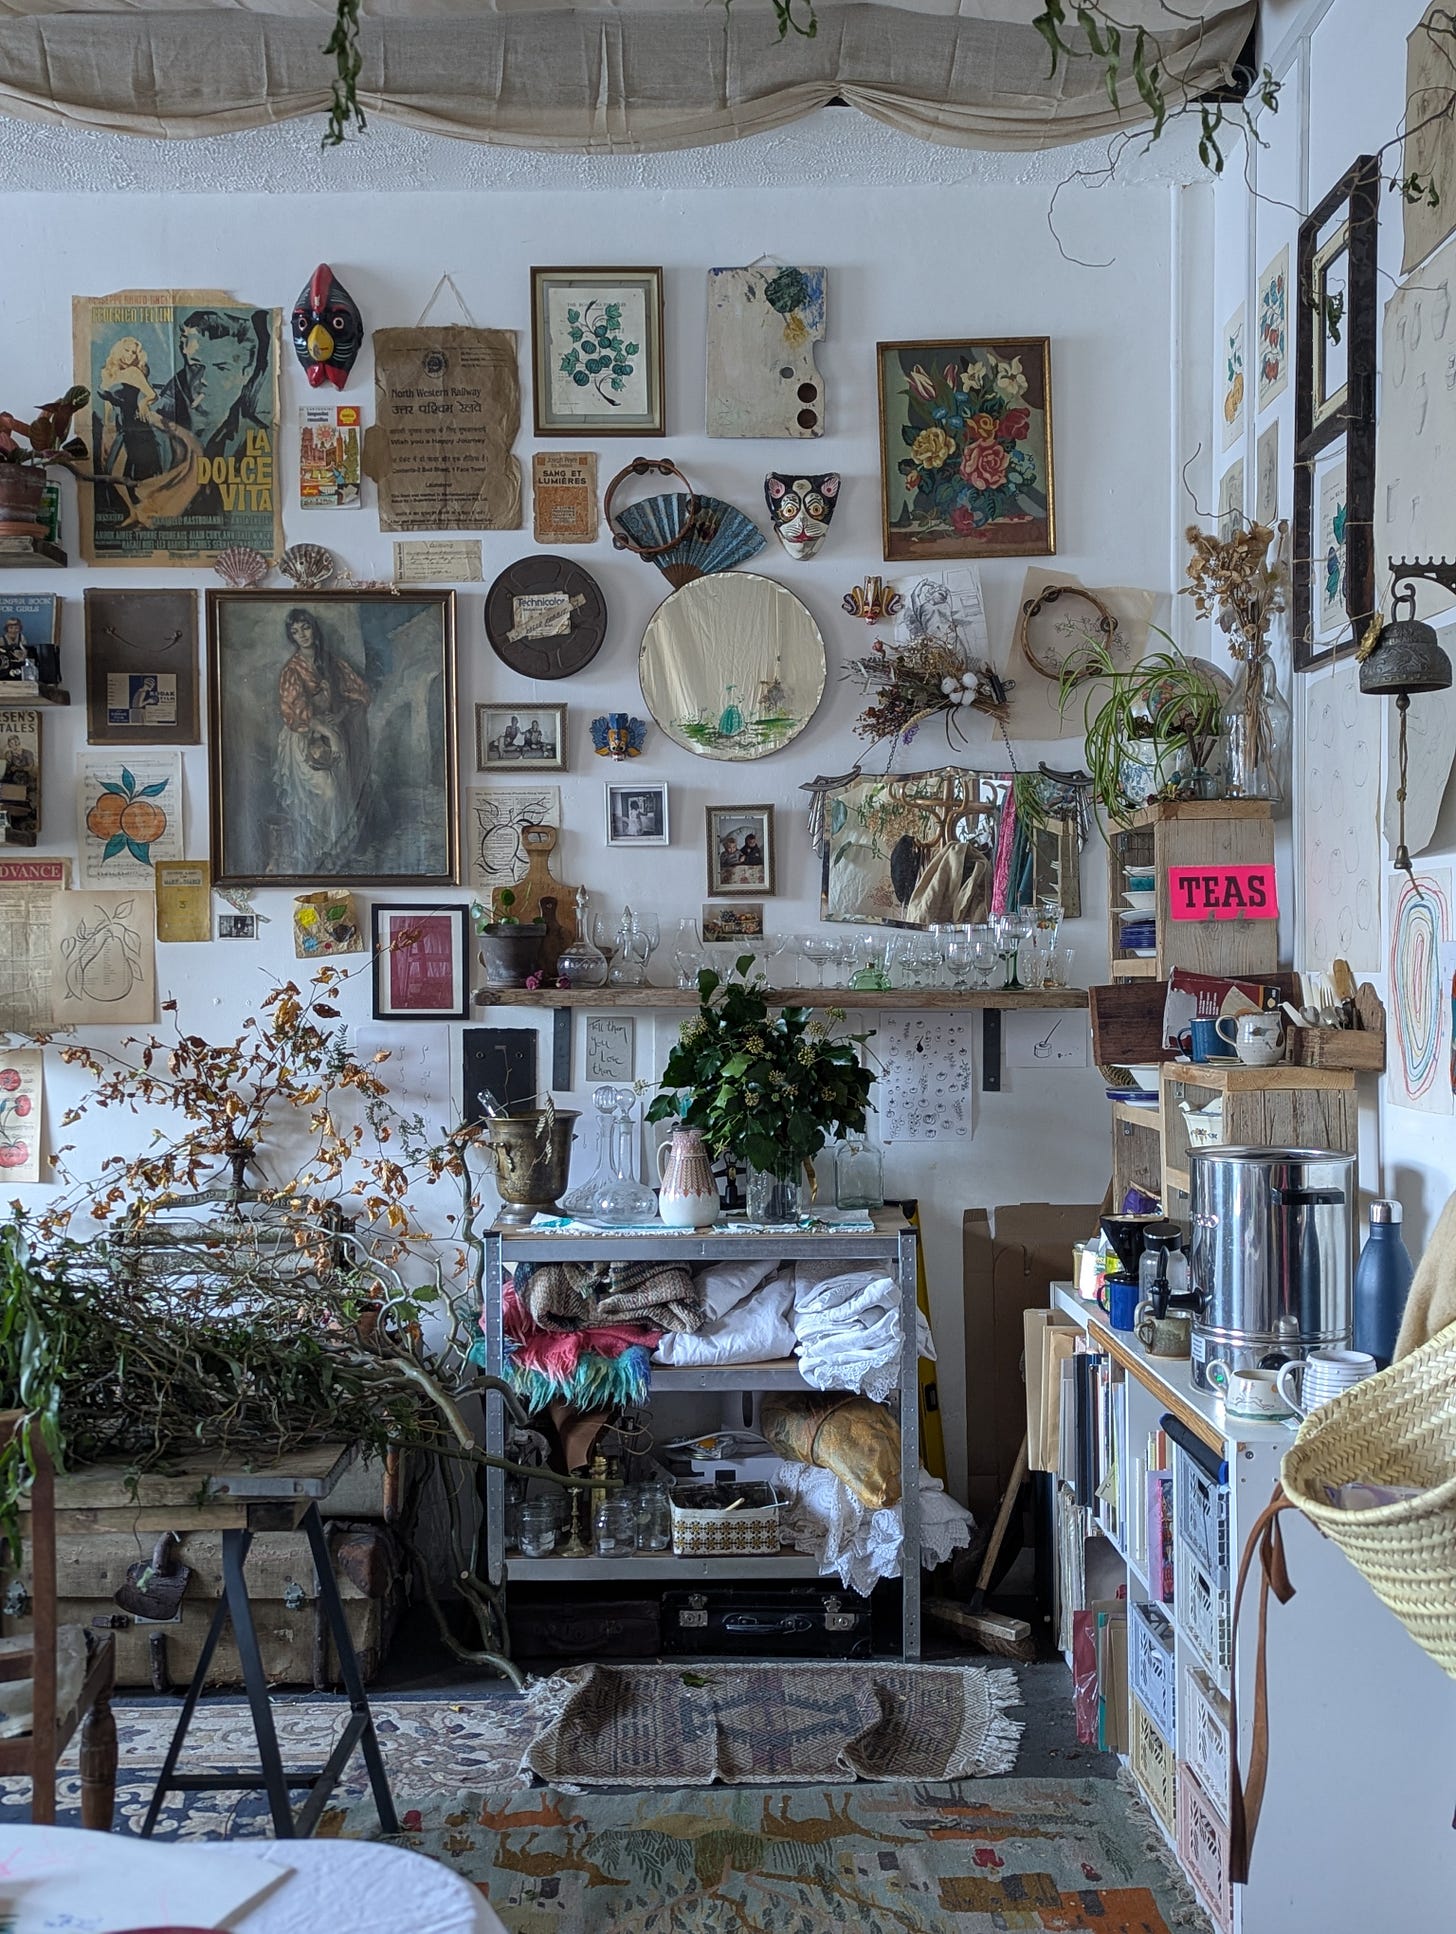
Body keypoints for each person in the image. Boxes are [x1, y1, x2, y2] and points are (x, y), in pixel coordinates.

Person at [274, 607, 371, 874]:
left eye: (305, 628)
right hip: (303, 738)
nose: (302, 635)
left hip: (332, 734)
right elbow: (296, 714)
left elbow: (359, 694)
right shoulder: (292, 670)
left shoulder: (332, 663)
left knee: (341, 793)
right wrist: (329, 733)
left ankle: (336, 855)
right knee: (327, 793)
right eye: (295, 632)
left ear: (313, 629)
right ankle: (318, 852)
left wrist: (338, 716)